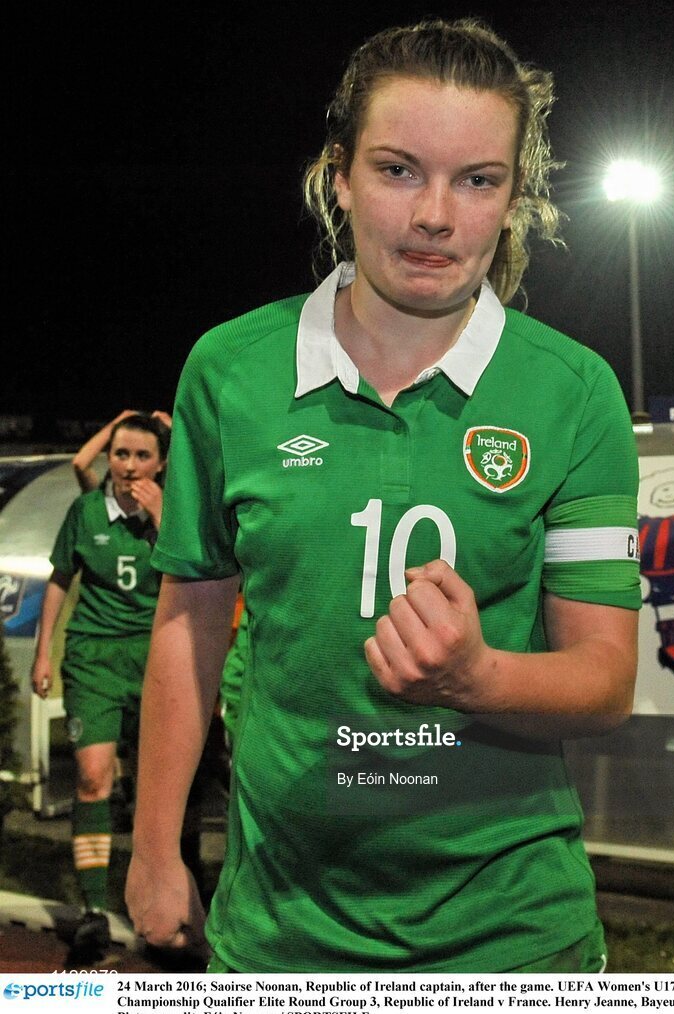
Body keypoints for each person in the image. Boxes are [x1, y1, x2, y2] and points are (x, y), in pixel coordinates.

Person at [126, 18, 641, 973]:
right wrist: (155, 850)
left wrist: (476, 678)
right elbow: (188, 623)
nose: (436, 215)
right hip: (280, 941)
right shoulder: (230, 370)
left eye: (478, 179)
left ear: (514, 197)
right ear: (338, 175)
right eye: (399, 169)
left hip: (513, 945)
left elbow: (605, 680)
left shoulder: (574, 392)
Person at [32, 412, 170, 961]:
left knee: (162, 788)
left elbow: (204, 571)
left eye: (142, 456)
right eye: (121, 454)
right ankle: (93, 912)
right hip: (93, 657)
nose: (130, 466)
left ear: (161, 463)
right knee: (93, 777)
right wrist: (44, 652)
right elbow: (60, 580)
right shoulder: (86, 509)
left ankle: (170, 909)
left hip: (158, 660)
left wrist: (164, 518)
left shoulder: (175, 513)